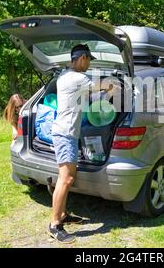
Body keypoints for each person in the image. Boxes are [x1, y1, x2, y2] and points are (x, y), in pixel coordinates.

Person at [49, 44, 113, 243]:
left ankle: (62, 215)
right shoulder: (77, 78)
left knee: (69, 177)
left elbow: (89, 96)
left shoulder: (65, 76)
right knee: (66, 179)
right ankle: (55, 225)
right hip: (65, 134)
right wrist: (113, 86)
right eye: (89, 60)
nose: (90, 64)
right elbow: (102, 85)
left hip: (66, 133)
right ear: (82, 58)